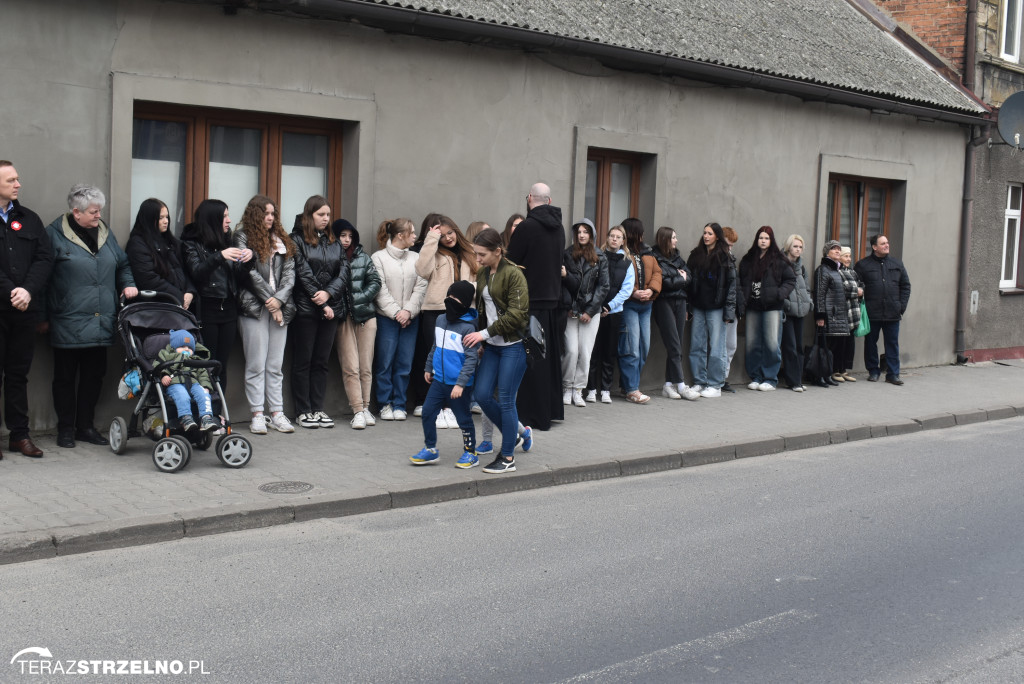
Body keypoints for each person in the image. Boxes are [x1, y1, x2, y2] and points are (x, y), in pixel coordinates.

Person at [45, 184, 138, 448]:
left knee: (93, 377)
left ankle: (85, 426)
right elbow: (41, 276)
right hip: (68, 319)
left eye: (100, 211)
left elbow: (122, 264)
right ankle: (65, 429)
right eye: (94, 212)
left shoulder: (105, 233)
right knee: (64, 378)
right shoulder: (53, 235)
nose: (99, 216)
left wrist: (127, 283)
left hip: (101, 321)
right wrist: (41, 315)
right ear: (76, 212)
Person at [180, 199, 252, 423]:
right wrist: (219, 256)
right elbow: (197, 272)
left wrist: (249, 260)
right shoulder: (190, 243)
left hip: (228, 309)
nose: (229, 221)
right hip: (206, 310)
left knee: (221, 365)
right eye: (225, 217)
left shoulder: (227, 241)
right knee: (205, 366)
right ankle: (203, 414)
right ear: (212, 220)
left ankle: (218, 414)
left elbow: (239, 278)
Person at [465, 228, 529, 474]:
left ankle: (508, 457)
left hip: (513, 345)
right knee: (481, 395)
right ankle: (514, 434)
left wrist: (482, 334)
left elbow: (517, 314)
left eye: (482, 254)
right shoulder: (483, 273)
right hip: (492, 346)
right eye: (476, 254)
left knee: (505, 400)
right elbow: (483, 310)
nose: (478, 259)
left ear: (497, 252)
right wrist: (484, 339)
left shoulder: (514, 275)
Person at [0, 161, 53, 458]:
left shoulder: (28, 219)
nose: (18, 184)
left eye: (18, 179)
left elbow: (44, 258)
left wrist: (28, 290)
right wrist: (12, 291)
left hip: (23, 311)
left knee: (19, 375)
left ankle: (19, 436)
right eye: (11, 180)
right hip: (1, 307)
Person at [234, 195, 297, 435]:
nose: (270, 218)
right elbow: (247, 273)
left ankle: (277, 413)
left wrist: (278, 300)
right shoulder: (242, 237)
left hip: (279, 308)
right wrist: (270, 300)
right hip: (253, 307)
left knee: (275, 365)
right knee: (256, 363)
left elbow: (290, 275)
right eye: (265, 214)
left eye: (273, 214)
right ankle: (257, 414)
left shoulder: (283, 240)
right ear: (255, 214)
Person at [506, 182, 565, 429]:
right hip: (552, 300)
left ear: (529, 198)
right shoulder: (559, 228)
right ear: (549, 201)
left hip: (529, 301)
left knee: (530, 359)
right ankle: (549, 410)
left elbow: (511, 263)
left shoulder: (527, 227)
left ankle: (531, 414)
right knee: (548, 358)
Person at [412, 214, 477, 428]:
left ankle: (454, 407)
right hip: (437, 311)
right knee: (439, 359)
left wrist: (467, 293)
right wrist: (432, 238)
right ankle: (440, 406)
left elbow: (480, 281)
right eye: (443, 235)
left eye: (451, 233)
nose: (448, 238)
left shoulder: (470, 253)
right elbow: (421, 270)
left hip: (465, 313)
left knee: (460, 360)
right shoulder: (434, 253)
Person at [289, 195, 347, 430]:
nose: (325, 219)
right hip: (306, 309)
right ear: (309, 215)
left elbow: (344, 270)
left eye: (327, 215)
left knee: (321, 362)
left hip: (330, 309)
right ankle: (303, 411)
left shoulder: (334, 241)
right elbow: (302, 272)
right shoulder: (296, 239)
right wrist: (320, 300)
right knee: (303, 361)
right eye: (320, 214)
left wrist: (329, 295)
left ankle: (318, 408)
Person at [409, 281, 480, 468]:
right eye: (449, 296)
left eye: (455, 298)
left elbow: (472, 360)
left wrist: (460, 384)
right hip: (438, 381)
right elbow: (435, 346)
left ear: (464, 303)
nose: (450, 301)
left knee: (464, 419)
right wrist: (428, 367)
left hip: (458, 385)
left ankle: (470, 453)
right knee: (428, 413)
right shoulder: (440, 320)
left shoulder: (469, 329)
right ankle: (430, 449)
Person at [372, 218, 427, 421]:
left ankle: (399, 404)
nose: (415, 236)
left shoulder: (416, 257)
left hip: (411, 319)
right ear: (400, 235)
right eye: (412, 232)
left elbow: (421, 286)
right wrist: (397, 313)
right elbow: (380, 289)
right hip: (387, 318)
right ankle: (384, 403)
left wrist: (408, 312)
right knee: (385, 362)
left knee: (404, 363)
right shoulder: (378, 258)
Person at [333, 219, 381, 430]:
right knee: (350, 366)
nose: (346, 240)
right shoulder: (331, 257)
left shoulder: (363, 256)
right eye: (342, 235)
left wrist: (361, 296)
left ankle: (366, 408)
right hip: (343, 319)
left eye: (350, 236)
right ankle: (358, 410)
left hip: (366, 317)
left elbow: (375, 282)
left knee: (365, 366)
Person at [736, 226, 795, 391]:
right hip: (753, 306)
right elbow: (741, 280)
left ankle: (770, 379)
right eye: (761, 238)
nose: (763, 241)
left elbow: (790, 280)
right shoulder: (748, 259)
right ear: (757, 239)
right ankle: (755, 376)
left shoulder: (780, 259)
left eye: (766, 238)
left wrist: (778, 294)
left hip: (772, 307)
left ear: (771, 241)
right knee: (752, 343)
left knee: (771, 343)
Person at [560, 218, 608, 407]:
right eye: (579, 232)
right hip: (571, 310)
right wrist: (570, 306)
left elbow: (603, 287)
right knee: (571, 350)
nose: (581, 235)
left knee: (585, 352)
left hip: (591, 312)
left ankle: (578, 389)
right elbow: (564, 283)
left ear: (592, 235)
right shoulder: (567, 254)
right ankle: (567, 387)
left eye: (585, 232)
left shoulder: (600, 256)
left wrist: (590, 310)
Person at [585, 225, 635, 404]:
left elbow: (626, 290)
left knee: (609, 352)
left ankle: (605, 389)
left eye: (618, 237)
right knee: (593, 350)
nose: (614, 239)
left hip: (614, 313)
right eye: (611, 236)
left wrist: (609, 306)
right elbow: (592, 283)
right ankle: (591, 389)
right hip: (595, 311)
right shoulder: (598, 257)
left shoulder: (627, 263)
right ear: (607, 238)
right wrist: (598, 306)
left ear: (623, 241)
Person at [687, 222, 736, 398]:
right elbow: (689, 281)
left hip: (717, 308)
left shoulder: (725, 257)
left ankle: (715, 385)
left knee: (717, 347)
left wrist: (729, 312)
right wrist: (689, 306)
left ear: (717, 236)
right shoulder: (696, 255)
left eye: (709, 233)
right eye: (704, 233)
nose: (706, 236)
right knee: (697, 345)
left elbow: (731, 287)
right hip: (699, 306)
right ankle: (699, 381)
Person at [651, 226, 699, 401]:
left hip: (680, 302)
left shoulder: (677, 256)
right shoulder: (654, 257)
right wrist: (681, 279)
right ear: (665, 240)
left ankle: (668, 384)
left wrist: (680, 279)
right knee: (673, 345)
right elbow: (662, 282)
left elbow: (690, 276)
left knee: (677, 343)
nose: (676, 240)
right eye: (673, 238)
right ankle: (681, 384)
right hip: (663, 303)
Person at [855, 234, 911, 385]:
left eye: (887, 242)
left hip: (893, 312)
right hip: (872, 313)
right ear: (874, 247)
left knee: (892, 344)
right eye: (883, 243)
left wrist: (901, 306)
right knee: (870, 343)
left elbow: (905, 286)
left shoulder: (897, 264)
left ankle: (893, 374)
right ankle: (873, 371)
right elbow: (856, 287)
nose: (887, 245)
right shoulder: (862, 265)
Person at [618, 218, 662, 404]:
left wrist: (651, 290)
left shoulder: (648, 252)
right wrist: (634, 292)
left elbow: (657, 273)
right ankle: (632, 389)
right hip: (629, 304)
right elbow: (619, 278)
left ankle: (627, 385)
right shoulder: (622, 253)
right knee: (631, 347)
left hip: (647, 305)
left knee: (643, 347)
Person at [125, 198, 195, 308]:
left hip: (178, 305)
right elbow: (148, 279)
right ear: (149, 219)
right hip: (157, 307)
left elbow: (185, 270)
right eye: (161, 218)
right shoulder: (138, 244)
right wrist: (178, 296)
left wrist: (190, 291)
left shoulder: (171, 241)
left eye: (167, 217)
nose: (166, 221)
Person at [155, 328, 219, 433]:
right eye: (182, 346)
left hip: (194, 383)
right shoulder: (167, 355)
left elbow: (203, 374)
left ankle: (206, 418)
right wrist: (163, 375)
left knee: (204, 394)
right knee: (182, 395)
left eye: (190, 348)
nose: (187, 349)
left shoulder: (195, 359)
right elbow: (158, 365)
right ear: (174, 347)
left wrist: (206, 386)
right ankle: (186, 418)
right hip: (175, 383)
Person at [812, 240, 850, 388]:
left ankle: (827, 375)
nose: (837, 251)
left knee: (832, 348)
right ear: (827, 252)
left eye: (839, 249)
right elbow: (819, 294)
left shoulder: (836, 270)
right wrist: (820, 315)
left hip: (838, 316)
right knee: (823, 347)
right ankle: (819, 376)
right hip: (828, 316)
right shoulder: (823, 269)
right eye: (834, 249)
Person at [780, 234, 812, 392]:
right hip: (787, 312)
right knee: (790, 346)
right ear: (788, 247)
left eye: (800, 247)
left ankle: (797, 379)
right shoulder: (780, 264)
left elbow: (806, 287)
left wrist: (809, 302)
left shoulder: (802, 267)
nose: (798, 249)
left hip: (800, 311)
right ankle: (792, 381)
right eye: (795, 246)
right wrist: (785, 303)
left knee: (798, 346)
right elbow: (778, 286)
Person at [833, 246, 863, 383]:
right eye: (846, 256)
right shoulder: (836, 271)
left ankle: (844, 369)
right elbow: (841, 289)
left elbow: (861, 286)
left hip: (853, 313)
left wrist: (859, 290)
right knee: (839, 343)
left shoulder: (852, 272)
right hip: (842, 313)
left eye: (850, 256)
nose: (848, 259)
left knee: (849, 344)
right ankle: (835, 370)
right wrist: (857, 291)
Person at [721, 226, 740, 392]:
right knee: (719, 345)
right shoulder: (719, 259)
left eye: (732, 245)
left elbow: (735, 287)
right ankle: (716, 378)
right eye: (728, 244)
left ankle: (723, 377)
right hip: (723, 309)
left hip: (733, 308)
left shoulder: (731, 259)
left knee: (731, 345)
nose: (730, 248)